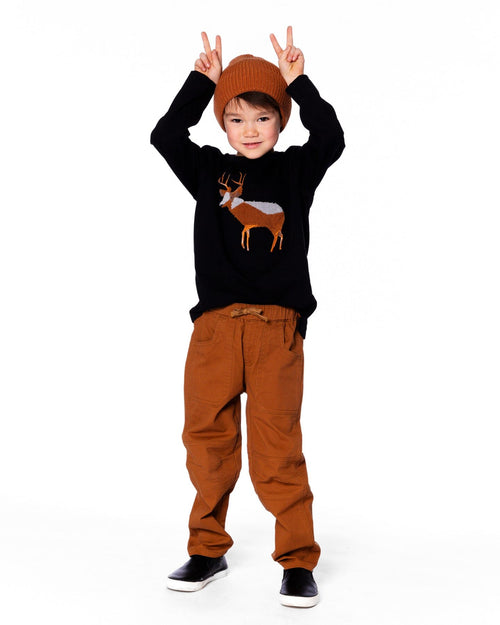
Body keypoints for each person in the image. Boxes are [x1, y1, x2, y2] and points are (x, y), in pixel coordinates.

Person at [150, 26, 345, 608]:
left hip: (276, 330)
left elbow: (331, 137)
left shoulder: (296, 172)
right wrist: (201, 82)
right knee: (206, 440)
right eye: (236, 118)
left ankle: (297, 560)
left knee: (277, 446)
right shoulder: (209, 171)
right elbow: (165, 135)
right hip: (214, 329)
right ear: (222, 125)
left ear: (281, 121)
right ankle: (207, 549)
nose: (250, 129)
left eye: (263, 117)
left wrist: (297, 82)